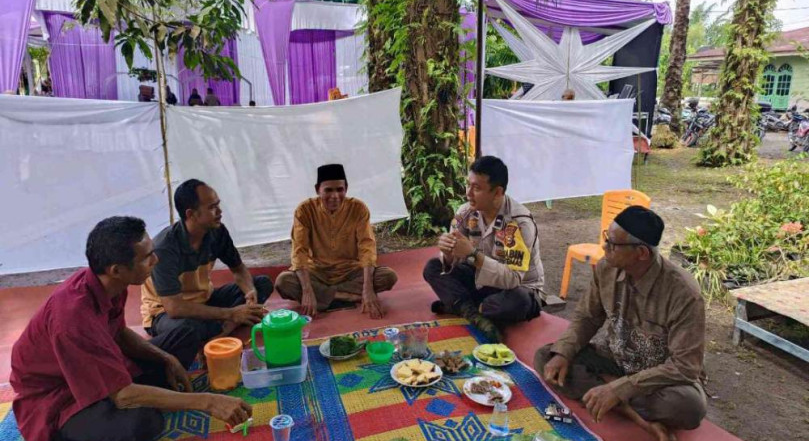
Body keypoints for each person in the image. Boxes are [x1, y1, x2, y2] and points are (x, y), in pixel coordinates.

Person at [10, 216, 252, 441]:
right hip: (59, 398)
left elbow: (119, 333)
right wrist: (207, 402)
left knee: (182, 336)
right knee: (144, 423)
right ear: (117, 270)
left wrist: (165, 358)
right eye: (147, 257)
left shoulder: (109, 285)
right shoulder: (72, 321)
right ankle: (78, 425)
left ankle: (146, 390)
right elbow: (122, 395)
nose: (156, 260)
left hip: (103, 366)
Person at [534, 206, 707, 441]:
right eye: (607, 239)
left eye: (613, 244)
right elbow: (586, 317)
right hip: (615, 359)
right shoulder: (606, 268)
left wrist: (621, 387)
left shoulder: (684, 294)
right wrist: (563, 352)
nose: (605, 248)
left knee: (689, 408)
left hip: (657, 380)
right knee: (546, 358)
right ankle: (640, 418)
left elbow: (685, 366)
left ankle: (607, 392)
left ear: (642, 253)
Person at [140, 179, 274, 369]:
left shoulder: (217, 231)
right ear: (191, 214)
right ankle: (224, 327)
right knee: (187, 330)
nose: (219, 212)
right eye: (212, 207)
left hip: (205, 301)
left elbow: (238, 269)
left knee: (262, 284)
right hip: (164, 314)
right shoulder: (164, 248)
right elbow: (174, 308)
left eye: (218, 205)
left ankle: (219, 334)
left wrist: (249, 292)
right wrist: (231, 313)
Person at [423, 156, 545, 342]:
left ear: (497, 192)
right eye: (468, 185)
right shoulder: (465, 213)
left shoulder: (518, 223)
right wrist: (447, 255)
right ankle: (475, 315)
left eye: (477, 188)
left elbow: (513, 279)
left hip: (517, 288)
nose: (468, 194)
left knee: (517, 300)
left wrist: (473, 255)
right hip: (480, 281)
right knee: (433, 267)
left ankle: (460, 305)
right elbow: (451, 263)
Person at [275, 164, 397, 319]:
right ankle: (350, 297)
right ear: (317, 190)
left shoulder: (358, 208)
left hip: (350, 272)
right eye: (328, 190)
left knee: (388, 277)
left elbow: (367, 247)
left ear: (346, 188)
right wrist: (306, 289)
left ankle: (326, 297)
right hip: (316, 272)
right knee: (284, 282)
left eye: (340, 189)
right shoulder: (304, 210)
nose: (335, 196)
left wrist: (367, 288)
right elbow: (299, 251)